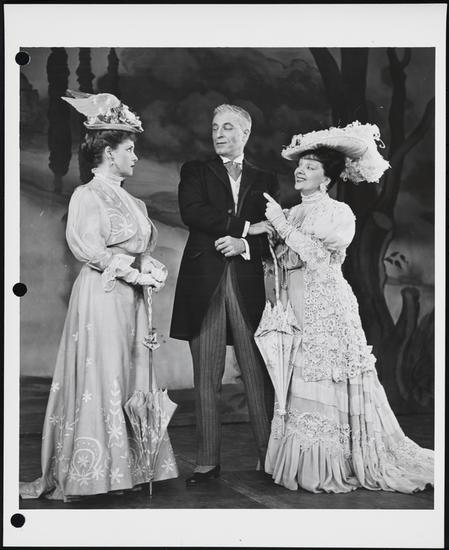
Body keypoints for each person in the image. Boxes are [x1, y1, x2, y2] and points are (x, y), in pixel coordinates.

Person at [20, 91, 177, 501]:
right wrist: (132, 272)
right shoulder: (87, 195)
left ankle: (129, 470)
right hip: (104, 293)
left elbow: (140, 249)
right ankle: (97, 473)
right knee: (105, 372)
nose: (135, 157)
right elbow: (88, 248)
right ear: (108, 153)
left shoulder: (132, 200)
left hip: (132, 300)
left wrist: (150, 269)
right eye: (129, 150)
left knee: (132, 371)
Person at [263, 121, 434, 493]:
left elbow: (317, 257)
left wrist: (281, 226)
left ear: (326, 179)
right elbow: (285, 260)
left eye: (310, 166)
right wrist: (275, 234)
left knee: (325, 375)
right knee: (300, 376)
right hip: (297, 304)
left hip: (327, 306)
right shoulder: (293, 213)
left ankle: (332, 463)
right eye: (300, 165)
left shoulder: (338, 213)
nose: (301, 171)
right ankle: (302, 461)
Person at [170, 104, 279, 484]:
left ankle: (270, 459)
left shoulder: (266, 178)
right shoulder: (195, 171)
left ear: (245, 134)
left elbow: (273, 234)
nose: (218, 133)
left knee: (257, 375)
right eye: (215, 126)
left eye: (228, 127)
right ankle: (206, 462)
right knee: (206, 376)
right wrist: (246, 228)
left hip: (247, 284)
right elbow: (192, 213)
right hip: (205, 285)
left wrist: (243, 244)